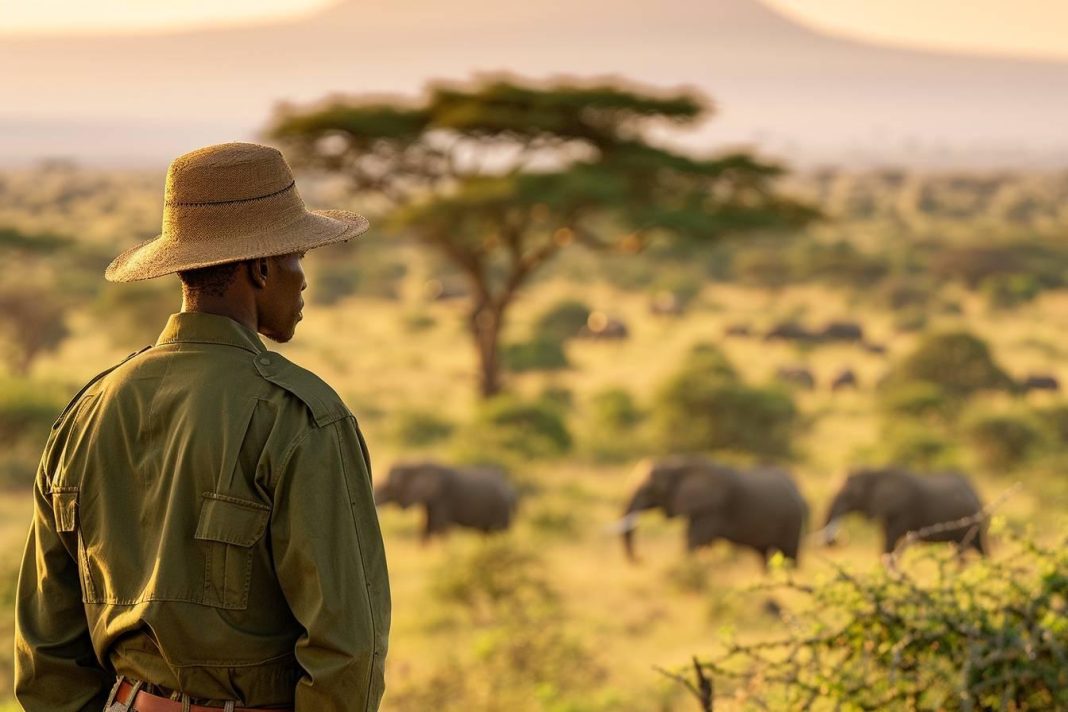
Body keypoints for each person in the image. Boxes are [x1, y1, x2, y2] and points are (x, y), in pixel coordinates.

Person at [14, 142, 390, 711]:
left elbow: (46, 652)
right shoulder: (300, 415)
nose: (302, 279)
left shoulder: (87, 411)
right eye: (298, 258)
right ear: (260, 268)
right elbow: (347, 651)